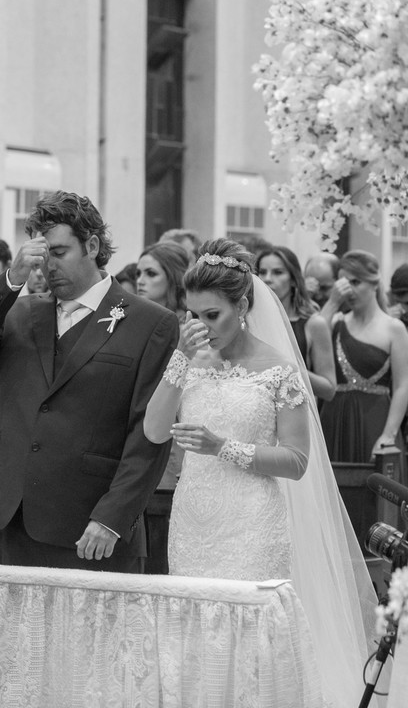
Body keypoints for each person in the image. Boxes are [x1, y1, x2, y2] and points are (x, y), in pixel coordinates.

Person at [142, 239, 376, 708]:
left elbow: (296, 461)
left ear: (243, 305)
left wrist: (221, 447)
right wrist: (179, 359)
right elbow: (153, 431)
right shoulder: (190, 358)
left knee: (248, 639)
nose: (203, 328)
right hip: (194, 522)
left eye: (213, 316)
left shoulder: (278, 368)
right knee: (194, 635)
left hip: (253, 524)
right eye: (193, 316)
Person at [0, 191, 177, 573]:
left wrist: (111, 517)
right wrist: (12, 279)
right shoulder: (21, 312)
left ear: (91, 245)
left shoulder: (150, 323)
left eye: (58, 253)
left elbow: (149, 434)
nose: (47, 268)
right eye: (40, 258)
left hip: (96, 528)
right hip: (17, 516)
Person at [132, 240, 193, 574]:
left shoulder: (188, 332)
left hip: (172, 463)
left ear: (173, 280)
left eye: (151, 273)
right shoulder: (137, 324)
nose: (141, 280)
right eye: (139, 272)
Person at [319, 250, 408, 462]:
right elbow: (311, 342)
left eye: (355, 282)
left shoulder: (393, 328)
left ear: (374, 283)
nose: (348, 290)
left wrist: (388, 435)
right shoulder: (334, 323)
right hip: (334, 422)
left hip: (377, 423)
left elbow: (402, 386)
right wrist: (331, 303)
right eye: (343, 283)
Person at [256, 246, 336, 401]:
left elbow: (329, 389)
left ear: (293, 279)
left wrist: (289, 367)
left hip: (296, 409)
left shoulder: (314, 324)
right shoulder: (248, 320)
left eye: (278, 272)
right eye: (262, 272)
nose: (268, 278)